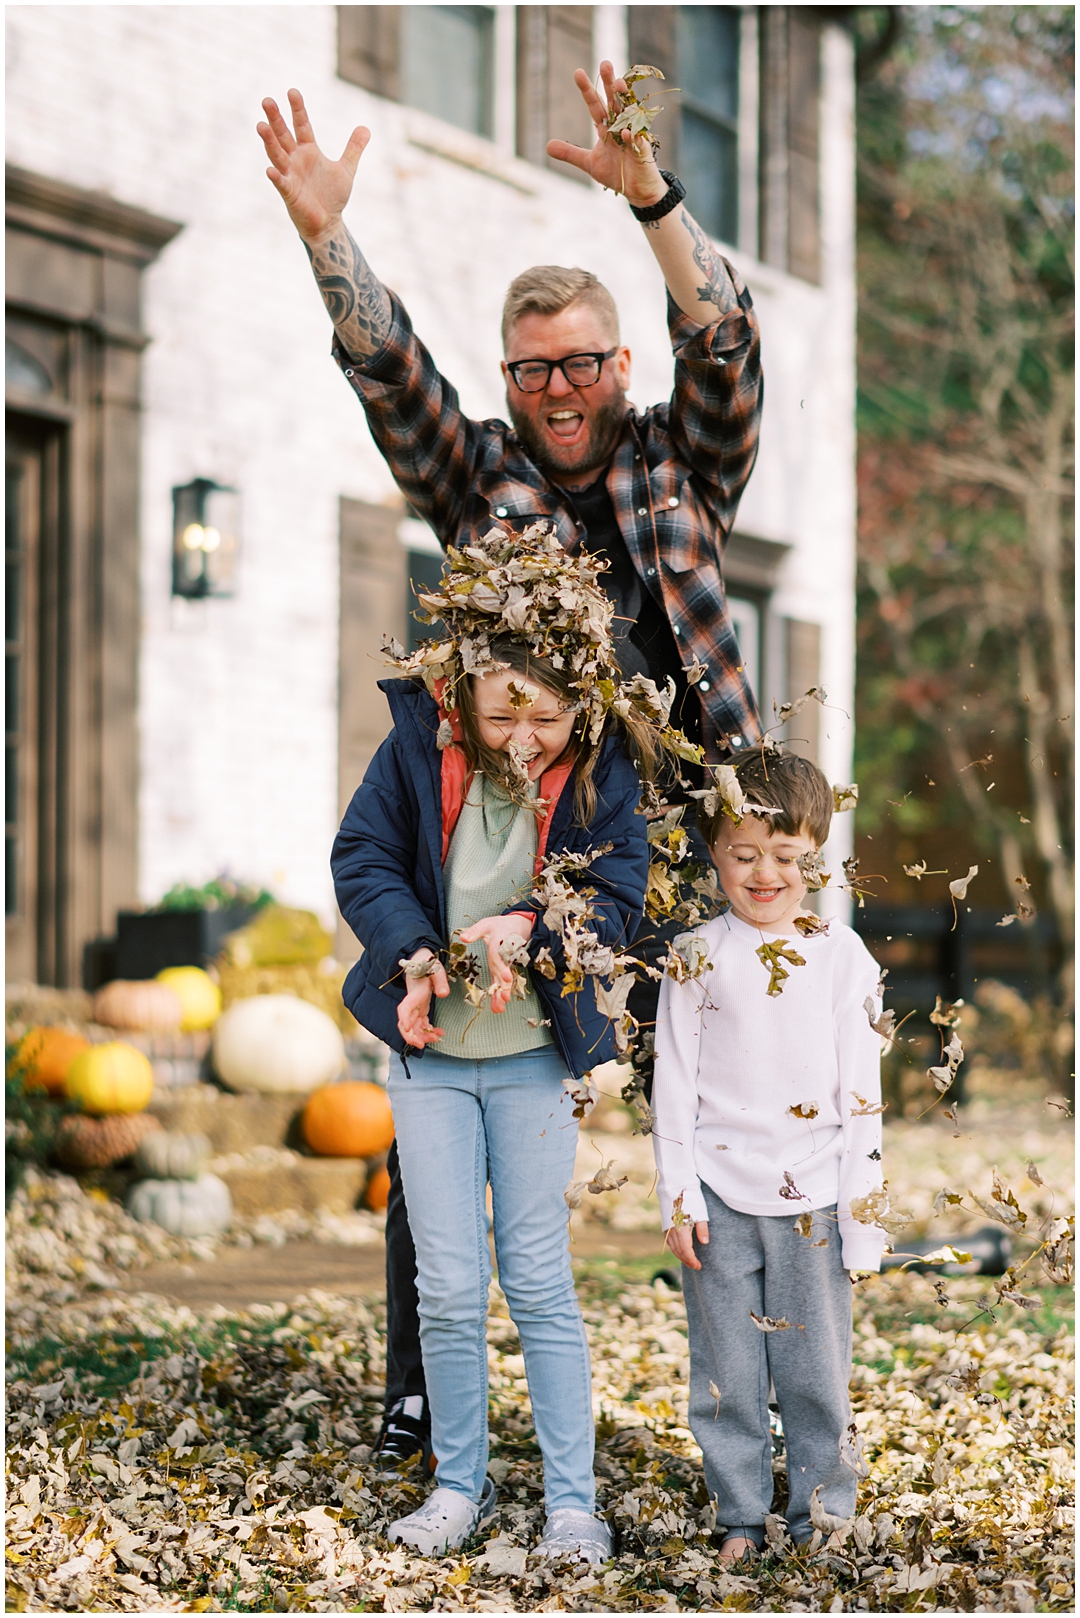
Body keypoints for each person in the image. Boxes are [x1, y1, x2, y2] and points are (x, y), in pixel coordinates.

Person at [257, 61, 764, 1470]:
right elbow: (389, 371)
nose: (559, 386)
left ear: (618, 365)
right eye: (533, 364)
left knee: (723, 1112)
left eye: (584, 360)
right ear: (513, 377)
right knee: (448, 1091)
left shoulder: (683, 469)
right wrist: (325, 237)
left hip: (676, 832)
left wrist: (651, 193)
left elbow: (723, 336)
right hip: (508, 831)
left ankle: (749, 1397)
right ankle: (426, 1391)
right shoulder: (479, 475)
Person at [331, 522, 671, 1559]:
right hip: (430, 1059)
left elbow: (620, 896)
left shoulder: (602, 774)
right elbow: (365, 859)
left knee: (534, 1277)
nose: (525, 737)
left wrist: (537, 924)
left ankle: (573, 1501)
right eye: (503, 712)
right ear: (467, 693)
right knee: (444, 1279)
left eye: (548, 716)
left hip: (530, 1062)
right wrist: (412, 955)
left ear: (581, 704)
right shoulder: (415, 751)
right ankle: (458, 1485)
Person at [652, 747, 886, 1561]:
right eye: (745, 854)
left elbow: (862, 1095)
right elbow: (673, 1086)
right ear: (714, 852)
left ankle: (822, 1512)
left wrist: (863, 1217)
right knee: (727, 1379)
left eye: (786, 857)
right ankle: (742, 1517)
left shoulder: (841, 957)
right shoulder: (696, 955)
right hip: (717, 1197)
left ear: (816, 854)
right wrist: (678, 1195)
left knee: (815, 1372)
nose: (765, 874)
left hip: (814, 1201)